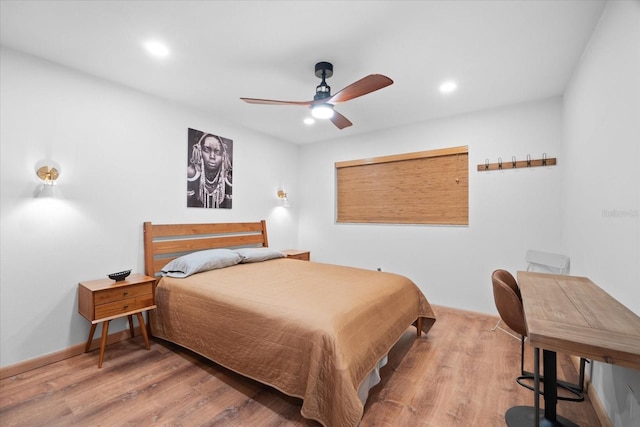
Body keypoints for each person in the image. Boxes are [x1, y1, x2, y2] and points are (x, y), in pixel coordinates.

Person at [187, 131, 233, 208]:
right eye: (206, 150)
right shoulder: (191, 173)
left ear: (223, 155)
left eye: (217, 152)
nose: (212, 156)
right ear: (199, 151)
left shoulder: (228, 178)